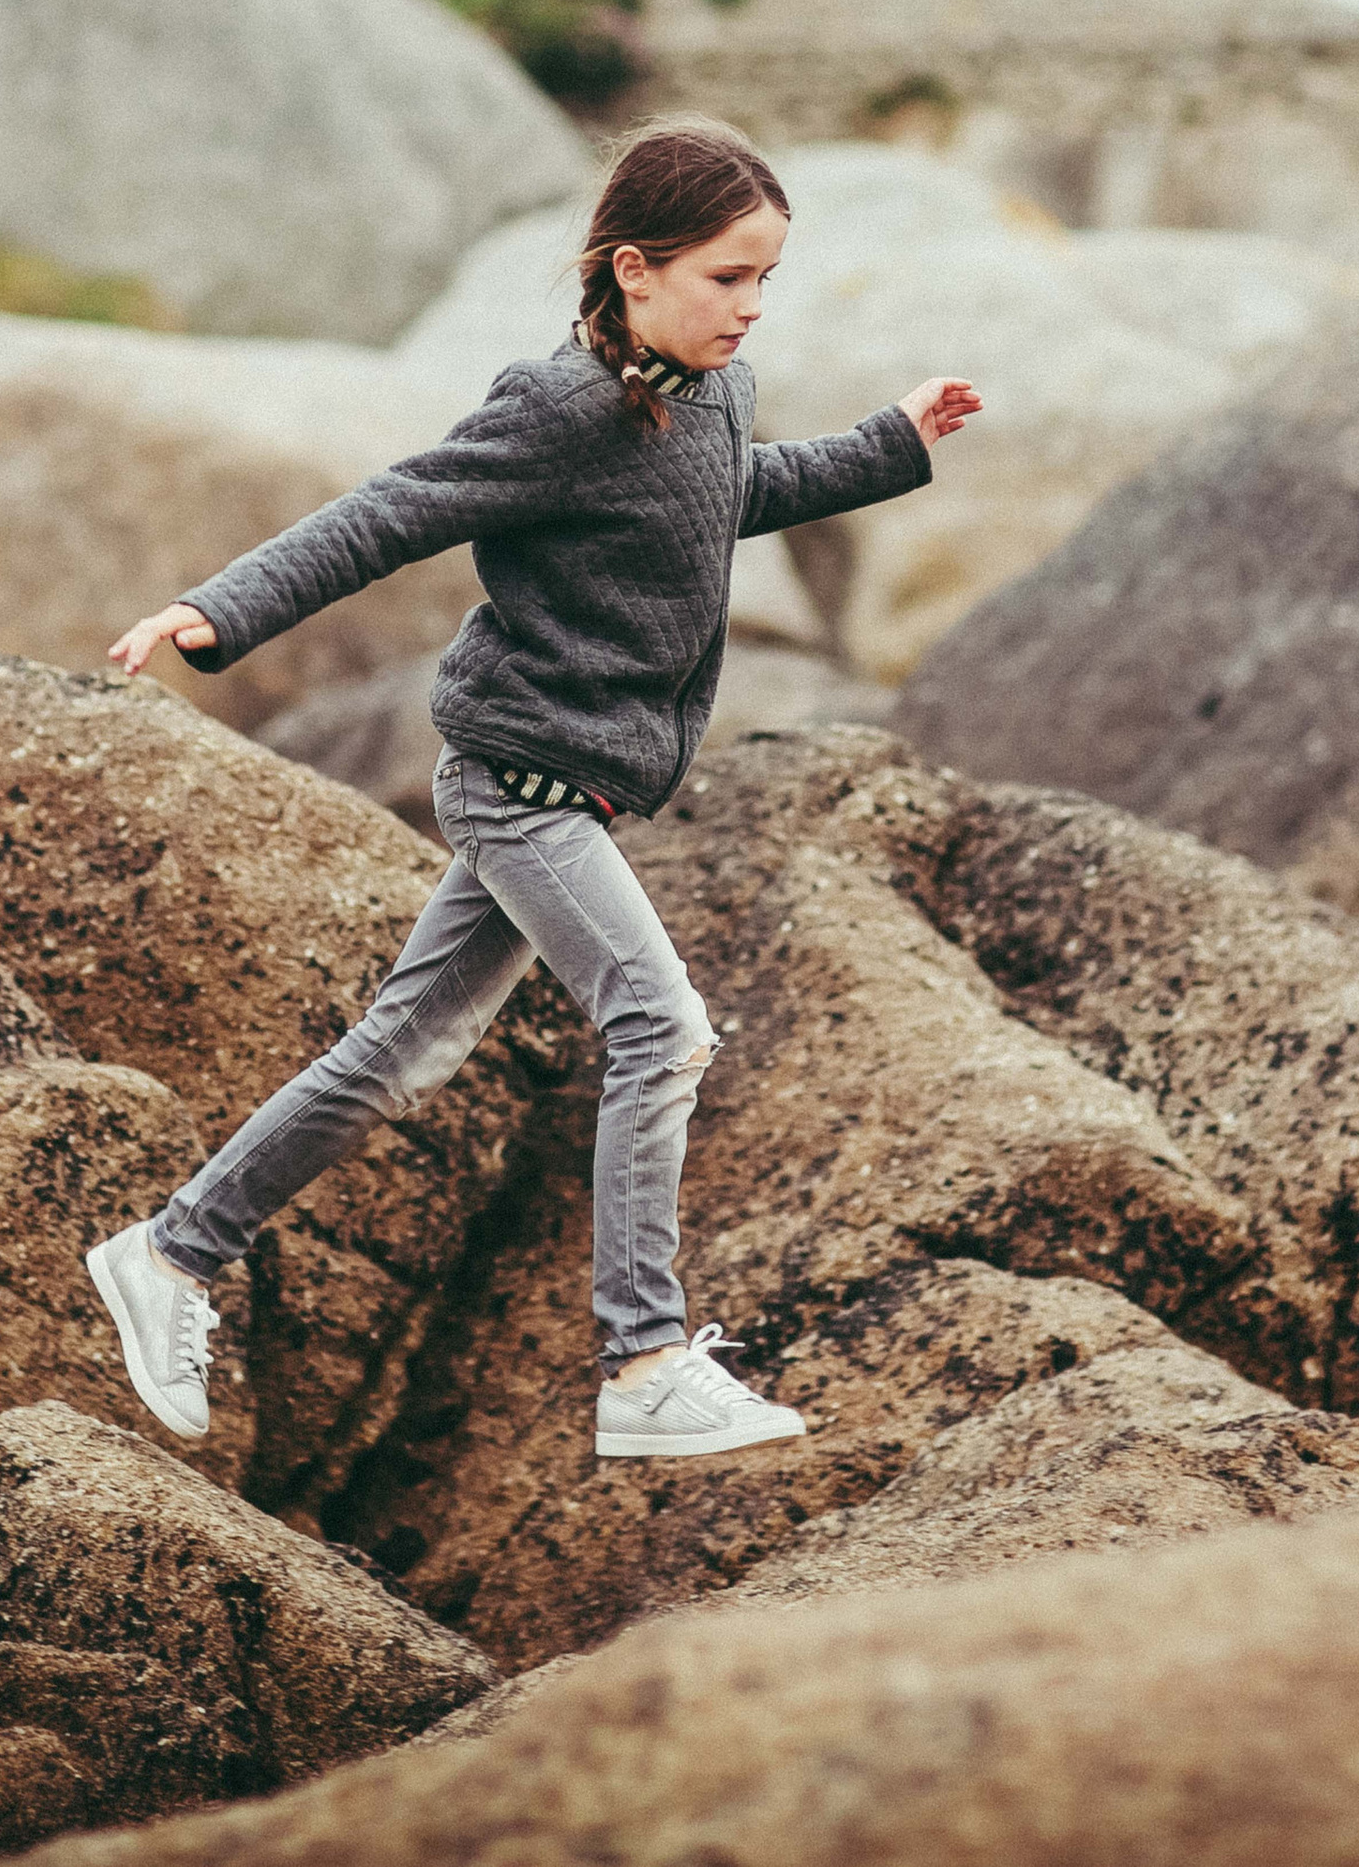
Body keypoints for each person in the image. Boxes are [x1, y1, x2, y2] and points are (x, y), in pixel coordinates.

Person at [86, 115, 980, 1461]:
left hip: (580, 789)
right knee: (659, 1026)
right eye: (727, 278)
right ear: (634, 269)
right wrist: (216, 613)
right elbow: (389, 512)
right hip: (520, 789)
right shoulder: (555, 409)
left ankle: (170, 1253)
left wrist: (890, 443)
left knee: (398, 1054)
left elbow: (727, 494)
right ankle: (643, 1361)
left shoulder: (708, 392)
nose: (750, 307)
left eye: (765, 282)